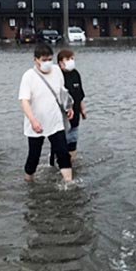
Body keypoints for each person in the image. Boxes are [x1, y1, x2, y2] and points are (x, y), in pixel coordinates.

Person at [18, 43, 74, 182]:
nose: (47, 63)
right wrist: (33, 120)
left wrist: (69, 107)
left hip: (55, 120)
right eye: (44, 60)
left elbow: (62, 92)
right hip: (36, 124)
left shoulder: (56, 71)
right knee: (34, 157)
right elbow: (24, 101)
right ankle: (28, 180)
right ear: (36, 60)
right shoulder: (28, 76)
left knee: (63, 152)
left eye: (50, 59)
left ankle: (69, 182)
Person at [51, 48, 86, 164]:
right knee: (60, 145)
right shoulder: (57, 76)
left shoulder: (76, 74)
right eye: (68, 59)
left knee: (73, 143)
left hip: (75, 117)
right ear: (60, 62)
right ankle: (57, 164)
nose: (71, 61)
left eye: (72, 58)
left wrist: (83, 109)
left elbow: (79, 94)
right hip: (61, 118)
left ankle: (73, 165)